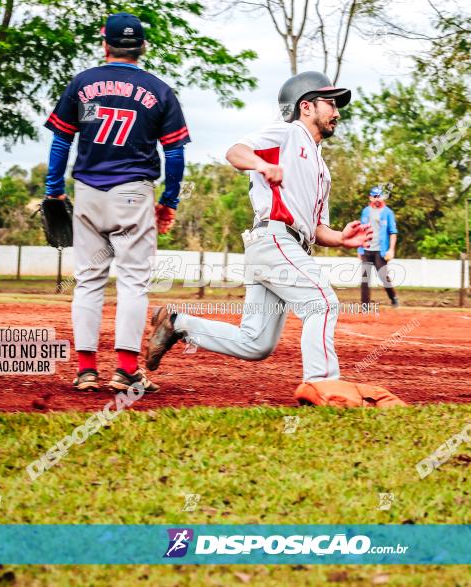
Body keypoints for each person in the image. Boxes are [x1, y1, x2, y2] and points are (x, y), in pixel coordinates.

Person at [143, 71, 405, 407]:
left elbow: (316, 229)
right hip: (274, 239)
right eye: (330, 103)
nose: (336, 110)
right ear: (306, 107)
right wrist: (260, 165)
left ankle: (177, 323)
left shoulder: (322, 170)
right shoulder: (289, 133)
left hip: (281, 244)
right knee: (322, 303)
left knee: (256, 342)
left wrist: (341, 238)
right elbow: (235, 152)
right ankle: (322, 384)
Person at [43, 12, 190, 392]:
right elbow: (174, 154)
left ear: (104, 44)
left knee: (88, 281)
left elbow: (62, 141)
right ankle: (125, 371)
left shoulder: (82, 84)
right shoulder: (159, 90)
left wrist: (53, 190)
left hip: (89, 193)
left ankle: (86, 370)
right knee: (133, 283)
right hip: (133, 193)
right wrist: (169, 200)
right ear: (142, 47)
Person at [358, 186, 399, 307]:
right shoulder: (365, 211)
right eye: (374, 196)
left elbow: (393, 232)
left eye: (379, 196)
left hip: (380, 251)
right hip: (366, 249)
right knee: (365, 278)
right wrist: (359, 249)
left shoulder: (388, 212)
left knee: (383, 276)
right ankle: (365, 305)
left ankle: (393, 297)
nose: (377, 199)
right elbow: (361, 231)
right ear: (370, 198)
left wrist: (391, 250)